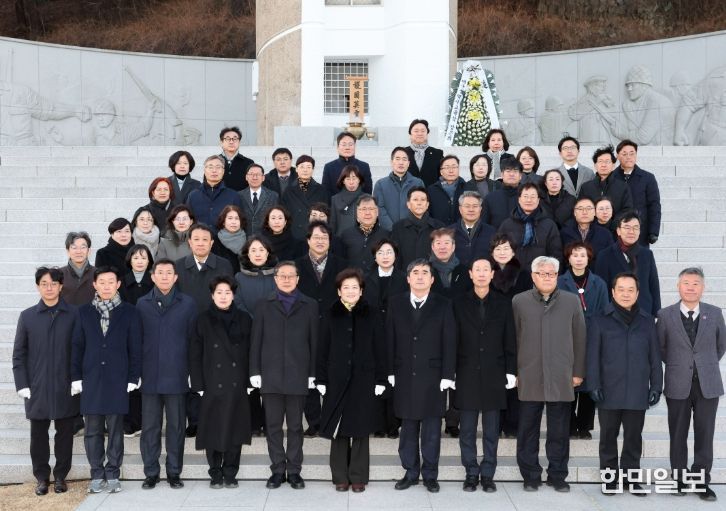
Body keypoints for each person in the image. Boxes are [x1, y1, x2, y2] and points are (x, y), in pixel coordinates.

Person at [513, 256, 586, 493]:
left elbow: (580, 337)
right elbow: (513, 339)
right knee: (528, 429)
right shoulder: (519, 301)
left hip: (561, 374)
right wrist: (515, 371)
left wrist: (578, 371)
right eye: (542, 273)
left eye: (552, 274)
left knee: (559, 430)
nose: (547, 277)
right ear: (533, 276)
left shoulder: (571, 301)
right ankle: (530, 475)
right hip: (529, 373)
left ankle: (557, 474)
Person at [587, 272, 662, 495]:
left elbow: (655, 357)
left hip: (637, 390)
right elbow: (592, 356)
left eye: (631, 290)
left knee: (633, 438)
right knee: (608, 437)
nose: (626, 294)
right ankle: (609, 479)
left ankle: (631, 479)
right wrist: (593, 384)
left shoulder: (647, 322)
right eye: (621, 289)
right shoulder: (599, 320)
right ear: (613, 292)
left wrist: (656, 386)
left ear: (638, 293)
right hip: (608, 389)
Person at [71, 266, 142, 494]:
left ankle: (113, 472)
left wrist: (134, 376)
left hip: (117, 379)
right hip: (91, 378)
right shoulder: (83, 312)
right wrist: (75, 377)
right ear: (94, 284)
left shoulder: (130, 312)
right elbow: (76, 347)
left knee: (115, 430)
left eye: (111, 282)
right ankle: (96, 473)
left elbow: (135, 348)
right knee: (92, 430)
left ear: (118, 284)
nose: (106, 286)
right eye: (102, 282)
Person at [387, 259, 456, 493]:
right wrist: (389, 371)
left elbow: (450, 340)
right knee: (407, 429)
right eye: (415, 272)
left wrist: (448, 374)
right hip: (404, 374)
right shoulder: (396, 303)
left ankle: (430, 475)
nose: (419, 276)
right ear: (407, 278)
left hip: (433, 377)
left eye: (425, 272)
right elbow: (390, 338)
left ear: (432, 279)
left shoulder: (444, 304)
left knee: (432, 430)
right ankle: (410, 472)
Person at [657, 267, 726, 500]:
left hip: (708, 384)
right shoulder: (664, 315)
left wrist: (704, 364)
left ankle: (701, 481)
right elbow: (661, 348)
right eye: (686, 283)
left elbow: (720, 346)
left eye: (695, 283)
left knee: (705, 434)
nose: (690, 287)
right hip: (677, 382)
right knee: (678, 433)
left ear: (703, 288)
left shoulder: (714, 313)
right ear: (678, 286)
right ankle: (679, 479)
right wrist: (681, 364)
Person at [250, 261, 319, 490]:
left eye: (291, 276)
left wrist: (312, 373)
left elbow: (314, 342)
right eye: (282, 276)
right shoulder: (263, 305)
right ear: (275, 279)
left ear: (298, 279)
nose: (287, 279)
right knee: (273, 426)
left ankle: (295, 471)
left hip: (298, 374)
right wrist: (254, 371)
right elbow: (256, 340)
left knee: (296, 426)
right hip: (270, 375)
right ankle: (278, 470)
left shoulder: (309, 305)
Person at [317, 268, 386, 493]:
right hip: (336, 378)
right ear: (339, 291)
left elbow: (380, 347)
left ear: (361, 290)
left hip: (364, 378)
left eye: (354, 287)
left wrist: (381, 379)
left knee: (360, 428)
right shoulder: (330, 313)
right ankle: (340, 476)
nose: (350, 291)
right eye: (345, 287)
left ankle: (358, 476)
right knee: (338, 429)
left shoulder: (372, 313)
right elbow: (322, 348)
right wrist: (321, 379)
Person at [13, 267, 79, 496]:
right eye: (44, 284)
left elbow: (80, 349)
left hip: (65, 384)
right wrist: (22, 384)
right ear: (37, 287)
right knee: (38, 434)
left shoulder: (74, 314)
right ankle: (42, 477)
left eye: (53, 284)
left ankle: (60, 476)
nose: (49, 288)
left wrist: (77, 379)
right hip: (37, 386)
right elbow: (19, 354)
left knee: (65, 434)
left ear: (61, 286)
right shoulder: (27, 316)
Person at [453, 258, 516, 493]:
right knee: (467, 430)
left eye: (485, 270)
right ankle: (471, 472)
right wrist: (451, 372)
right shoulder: (458, 303)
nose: (481, 274)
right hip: (466, 372)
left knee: (491, 430)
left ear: (492, 274)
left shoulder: (504, 303)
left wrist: (511, 370)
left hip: (494, 373)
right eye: (477, 270)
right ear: (470, 274)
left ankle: (488, 474)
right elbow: (452, 339)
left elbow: (510, 339)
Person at [136, 258, 198, 490]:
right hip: (150, 375)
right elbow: (137, 340)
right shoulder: (142, 303)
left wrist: (192, 372)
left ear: (175, 277)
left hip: (177, 374)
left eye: (168, 273)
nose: (164, 276)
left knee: (176, 427)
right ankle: (151, 472)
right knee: (150, 428)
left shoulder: (188, 304)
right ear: (152, 276)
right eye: (159, 272)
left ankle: (174, 471)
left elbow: (193, 340)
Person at [189, 276, 253, 489]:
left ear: (233, 295)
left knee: (235, 430)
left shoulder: (244, 318)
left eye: (227, 292)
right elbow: (195, 353)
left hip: (237, 383)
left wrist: (251, 379)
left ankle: (231, 473)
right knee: (212, 430)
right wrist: (197, 384)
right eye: (219, 292)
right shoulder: (202, 319)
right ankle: (215, 473)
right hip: (212, 383)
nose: (223, 296)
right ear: (212, 295)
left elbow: (251, 351)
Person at [295, 221, 347, 436]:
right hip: (304, 326)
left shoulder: (342, 265)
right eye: (316, 237)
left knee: (332, 372)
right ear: (308, 240)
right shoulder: (296, 266)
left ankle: (331, 418)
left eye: (324, 238)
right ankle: (314, 421)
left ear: (330, 241)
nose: (320, 241)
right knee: (308, 373)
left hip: (333, 325)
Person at [557, 242, 608, 440]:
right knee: (568, 382)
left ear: (588, 259)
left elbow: (604, 310)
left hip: (592, 336)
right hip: (566, 337)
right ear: (568, 259)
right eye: (575, 255)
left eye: (583, 255)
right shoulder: (560, 282)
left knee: (589, 381)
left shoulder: (599, 283)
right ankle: (569, 425)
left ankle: (585, 425)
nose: (579, 259)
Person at [363, 239, 408, 439]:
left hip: (397, 333)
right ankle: (377, 423)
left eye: (389, 252)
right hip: (372, 334)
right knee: (376, 376)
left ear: (396, 256)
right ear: (375, 257)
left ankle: (394, 423)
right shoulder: (366, 278)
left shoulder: (404, 278)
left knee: (394, 377)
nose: (385, 256)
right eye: (380, 252)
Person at [489, 234, 532, 438]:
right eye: (498, 248)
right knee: (496, 379)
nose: (502, 252)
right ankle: (496, 424)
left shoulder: (523, 275)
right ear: (492, 253)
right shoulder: (487, 272)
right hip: (493, 331)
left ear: (513, 251)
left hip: (518, 330)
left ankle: (513, 424)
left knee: (515, 377)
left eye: (506, 248)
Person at [234, 236, 278, 437]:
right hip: (248, 333)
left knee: (270, 381)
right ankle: (253, 423)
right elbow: (237, 303)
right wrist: (253, 321)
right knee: (250, 380)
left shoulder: (277, 275)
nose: (258, 254)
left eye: (261, 249)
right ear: (247, 254)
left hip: (273, 334)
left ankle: (270, 424)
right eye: (253, 250)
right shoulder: (239, 277)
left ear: (268, 252)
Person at [118, 244, 154, 439]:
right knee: (128, 379)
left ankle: (143, 420)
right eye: (136, 257)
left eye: (143, 257)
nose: (140, 261)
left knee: (145, 380)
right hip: (126, 335)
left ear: (149, 261)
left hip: (150, 336)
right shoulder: (121, 282)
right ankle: (128, 422)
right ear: (129, 260)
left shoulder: (155, 281)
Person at [595, 212, 661, 316]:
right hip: (615, 314)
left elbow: (654, 287)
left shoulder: (647, 254)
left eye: (635, 228)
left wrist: (657, 314)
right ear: (618, 231)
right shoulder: (605, 255)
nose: (631, 231)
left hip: (644, 312)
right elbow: (602, 289)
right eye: (627, 227)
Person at [498, 182, 562, 271]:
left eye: (533, 197)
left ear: (538, 200)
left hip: (540, 274)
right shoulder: (507, 224)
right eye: (525, 196)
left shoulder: (549, 225)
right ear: (519, 199)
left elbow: (556, 253)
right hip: (512, 274)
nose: (529, 200)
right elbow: (498, 252)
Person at [613, 139, 662, 245]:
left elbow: (654, 206)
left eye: (632, 153)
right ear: (617, 156)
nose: (628, 157)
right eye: (624, 154)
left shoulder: (647, 178)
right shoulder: (611, 177)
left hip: (640, 232)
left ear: (636, 155)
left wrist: (653, 232)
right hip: (616, 233)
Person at [390, 187, 444, 268]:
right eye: (415, 200)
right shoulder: (398, 227)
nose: (419, 203)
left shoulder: (439, 227)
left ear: (427, 204)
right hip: (406, 274)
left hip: (431, 274)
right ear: (408, 204)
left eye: (423, 200)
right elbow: (396, 256)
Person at [578, 145, 634, 223]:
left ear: (613, 165)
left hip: (615, 228)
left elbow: (627, 210)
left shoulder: (623, 187)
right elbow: (581, 209)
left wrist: (612, 224)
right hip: (592, 228)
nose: (603, 165)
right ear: (595, 165)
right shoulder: (586, 187)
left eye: (607, 162)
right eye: (600, 161)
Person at [373, 146, 424, 231]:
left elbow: (421, 206)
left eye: (404, 159)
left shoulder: (418, 183)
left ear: (408, 163)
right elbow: (379, 208)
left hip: (412, 231)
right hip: (388, 232)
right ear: (391, 162)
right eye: (397, 159)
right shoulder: (380, 184)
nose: (401, 162)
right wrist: (392, 229)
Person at [187, 155, 243, 230]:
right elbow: (188, 220)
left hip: (224, 237)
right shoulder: (193, 195)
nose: (214, 170)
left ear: (223, 171)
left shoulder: (233, 196)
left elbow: (240, 221)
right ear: (204, 170)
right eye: (210, 167)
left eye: (218, 167)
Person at [339, 194, 389, 275]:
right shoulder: (346, 235)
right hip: (353, 281)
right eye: (363, 209)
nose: (367, 213)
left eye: (371, 209)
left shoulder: (386, 235)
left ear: (377, 212)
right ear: (357, 212)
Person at [283, 155, 330, 240]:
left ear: (313, 169)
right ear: (296, 169)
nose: (305, 170)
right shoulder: (288, 190)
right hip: (294, 234)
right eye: (302, 167)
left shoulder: (321, 190)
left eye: (309, 167)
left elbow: (326, 214)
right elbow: (284, 214)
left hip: (315, 234)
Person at [451, 191, 496, 268]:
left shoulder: (491, 232)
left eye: (475, 206)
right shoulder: (450, 232)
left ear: (480, 209)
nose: (471, 210)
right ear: (460, 209)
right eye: (467, 206)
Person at [559, 197, 613, 262]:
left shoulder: (605, 234)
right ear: (575, 213)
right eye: (580, 209)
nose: (584, 212)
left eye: (589, 208)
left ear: (594, 212)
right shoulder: (565, 233)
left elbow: (610, 258)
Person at [322, 132, 372, 196]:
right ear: (337, 147)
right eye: (344, 144)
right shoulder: (329, 167)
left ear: (355, 146)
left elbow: (367, 192)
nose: (347, 148)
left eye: (350, 144)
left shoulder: (364, 166)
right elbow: (326, 192)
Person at [429, 227, 471, 301]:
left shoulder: (464, 271)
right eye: (438, 243)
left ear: (453, 247)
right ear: (433, 247)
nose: (442, 247)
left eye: (446, 243)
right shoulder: (426, 271)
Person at [482, 156, 522, 229]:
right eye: (508, 171)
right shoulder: (490, 198)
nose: (511, 174)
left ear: (520, 176)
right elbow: (484, 225)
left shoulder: (527, 198)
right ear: (502, 175)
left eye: (515, 171)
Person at [239, 163, 279, 236]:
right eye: (251, 174)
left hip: (266, 238)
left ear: (263, 177)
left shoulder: (273, 196)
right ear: (246, 177)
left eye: (258, 174)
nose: (254, 177)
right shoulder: (239, 196)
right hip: (244, 238)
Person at [427, 155, 467, 225]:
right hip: (438, 230)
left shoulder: (467, 188)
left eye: (454, 167)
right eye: (447, 167)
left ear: (458, 169)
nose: (451, 171)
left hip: (461, 230)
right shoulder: (431, 190)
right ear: (441, 172)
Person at [404, 119, 444, 187]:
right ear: (410, 134)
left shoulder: (437, 154)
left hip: (431, 192)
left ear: (427, 134)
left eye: (423, 131)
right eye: (416, 131)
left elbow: (443, 176)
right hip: (408, 192)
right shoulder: (403, 152)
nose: (420, 134)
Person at [60, 231, 95, 305]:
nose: (78, 251)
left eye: (83, 247)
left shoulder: (98, 274)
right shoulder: (59, 274)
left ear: (89, 251)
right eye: (74, 247)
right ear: (68, 251)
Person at [330, 164, 365, 237]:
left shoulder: (367, 198)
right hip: (341, 239)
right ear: (343, 181)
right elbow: (333, 224)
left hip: (362, 239)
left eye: (354, 178)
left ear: (359, 180)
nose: (351, 182)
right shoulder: (335, 199)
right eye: (348, 179)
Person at [211, 205, 248, 274]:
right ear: (223, 222)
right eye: (230, 218)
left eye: (237, 218)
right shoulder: (214, 242)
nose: (233, 222)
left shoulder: (248, 241)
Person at [219, 126, 254, 192]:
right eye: (228, 139)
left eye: (235, 139)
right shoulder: (213, 162)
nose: (231, 142)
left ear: (239, 142)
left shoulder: (249, 163)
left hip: (241, 198)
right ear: (221, 142)